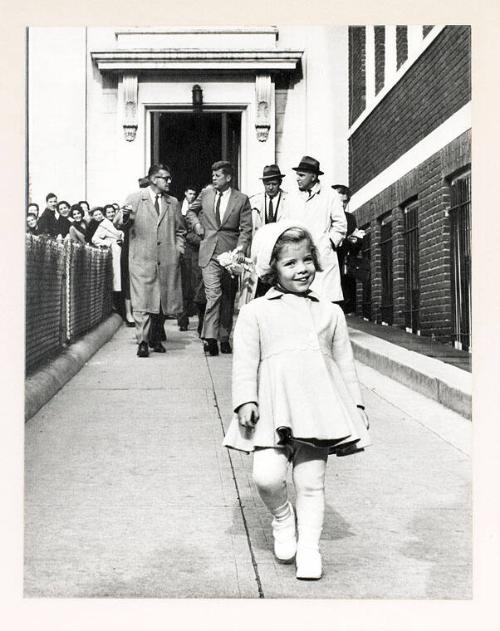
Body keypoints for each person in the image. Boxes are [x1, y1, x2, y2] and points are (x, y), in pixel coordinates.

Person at [223, 221, 370, 580]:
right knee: (267, 477)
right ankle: (282, 518)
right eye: (290, 263)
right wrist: (245, 399)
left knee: (311, 482)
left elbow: (345, 363)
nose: (301, 269)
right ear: (272, 268)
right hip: (273, 406)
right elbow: (244, 361)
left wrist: (358, 406)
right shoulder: (257, 311)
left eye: (307, 260)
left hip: (318, 408)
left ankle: (309, 550)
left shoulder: (329, 311)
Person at [187, 160, 252, 356]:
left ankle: (224, 337)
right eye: (213, 175)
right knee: (213, 294)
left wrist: (240, 249)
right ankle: (210, 338)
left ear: (228, 177)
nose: (213, 178)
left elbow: (246, 228)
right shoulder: (206, 193)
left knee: (227, 296)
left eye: (218, 175)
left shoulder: (241, 199)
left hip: (230, 254)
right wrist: (197, 225)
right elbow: (191, 210)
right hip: (208, 252)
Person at [121, 163, 185, 358]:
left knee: (161, 301)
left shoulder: (172, 202)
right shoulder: (135, 198)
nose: (169, 182)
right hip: (141, 259)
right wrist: (124, 216)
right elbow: (120, 222)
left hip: (166, 260)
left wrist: (178, 250)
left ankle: (156, 338)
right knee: (142, 302)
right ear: (153, 179)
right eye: (165, 178)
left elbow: (181, 230)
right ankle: (142, 341)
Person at [282, 156, 347, 303]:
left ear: (313, 176)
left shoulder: (330, 195)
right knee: (299, 301)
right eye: (297, 175)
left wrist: (329, 243)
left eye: (302, 175)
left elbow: (340, 224)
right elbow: (284, 223)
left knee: (323, 301)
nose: (297, 179)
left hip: (322, 254)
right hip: (297, 252)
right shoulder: (291, 197)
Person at [249, 164, 288, 298]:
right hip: (260, 251)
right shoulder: (254, 201)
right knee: (260, 288)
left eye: (274, 184)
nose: (270, 187)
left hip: (280, 249)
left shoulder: (289, 200)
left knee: (280, 287)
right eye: (267, 184)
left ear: (280, 183)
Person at [332, 184, 363, 314]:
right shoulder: (325, 217)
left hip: (343, 266)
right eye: (339, 201)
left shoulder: (350, 218)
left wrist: (356, 240)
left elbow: (355, 248)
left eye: (345, 202)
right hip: (328, 264)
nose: (342, 205)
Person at [177, 186, 199, 331]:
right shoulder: (177, 206)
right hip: (183, 248)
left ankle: (197, 316)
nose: (192, 196)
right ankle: (182, 319)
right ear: (185, 193)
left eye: (194, 194)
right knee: (183, 284)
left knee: (195, 283)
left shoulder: (198, 206)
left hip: (196, 249)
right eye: (190, 193)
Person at [92, 204, 124, 292]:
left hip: (121, 250)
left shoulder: (118, 223)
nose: (111, 214)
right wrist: (108, 243)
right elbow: (94, 239)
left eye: (113, 212)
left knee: (121, 275)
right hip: (112, 252)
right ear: (105, 214)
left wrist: (122, 241)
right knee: (115, 276)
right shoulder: (104, 224)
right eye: (108, 212)